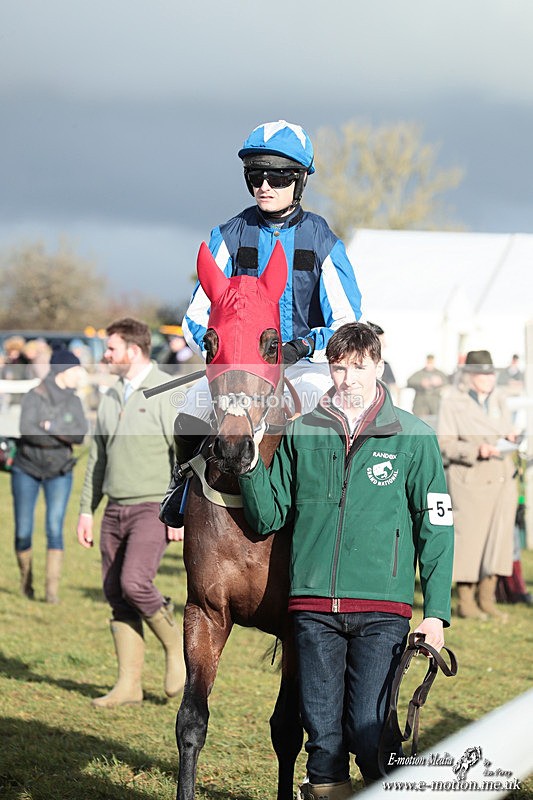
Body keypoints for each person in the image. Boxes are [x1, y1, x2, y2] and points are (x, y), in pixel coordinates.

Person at [238, 322, 454, 796]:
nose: (348, 378)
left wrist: (436, 613)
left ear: (378, 366)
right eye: (339, 367)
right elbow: (270, 516)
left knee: (370, 730)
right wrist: (253, 466)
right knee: (323, 737)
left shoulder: (414, 436)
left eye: (359, 366)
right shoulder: (300, 433)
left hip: (382, 610)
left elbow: (436, 526)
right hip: (312, 610)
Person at [165, 120, 362, 528]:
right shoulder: (229, 236)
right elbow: (194, 319)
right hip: (240, 367)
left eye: (278, 176)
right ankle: (180, 488)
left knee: (323, 421)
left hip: (305, 365)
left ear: (300, 181)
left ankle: (331, 513)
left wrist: (303, 347)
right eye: (256, 175)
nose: (265, 185)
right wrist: (226, 350)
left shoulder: (323, 240)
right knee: (187, 410)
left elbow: (347, 323)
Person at [76, 317, 185, 707]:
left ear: (133, 351)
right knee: (114, 592)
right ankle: (128, 687)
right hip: (113, 509)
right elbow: (96, 460)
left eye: (110, 349)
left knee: (134, 582)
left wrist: (180, 514)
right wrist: (86, 511)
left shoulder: (167, 392)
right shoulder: (108, 396)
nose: (105, 356)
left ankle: (175, 648)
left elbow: (184, 459)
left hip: (152, 507)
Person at [437, 350, 518, 620]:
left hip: (501, 478)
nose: (488, 378)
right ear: (470, 375)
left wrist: (511, 437)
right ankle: (466, 600)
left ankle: (487, 598)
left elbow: (505, 431)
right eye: (483, 373)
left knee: (498, 540)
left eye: (490, 372)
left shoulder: (500, 401)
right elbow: (444, 443)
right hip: (470, 480)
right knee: (470, 541)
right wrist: (476, 449)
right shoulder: (453, 403)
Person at [11, 348, 88, 603]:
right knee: (23, 530)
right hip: (27, 469)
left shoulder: (74, 400)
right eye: (77, 369)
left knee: (54, 528)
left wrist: (50, 427)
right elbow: (27, 430)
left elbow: (79, 435)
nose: (80, 374)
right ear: (64, 370)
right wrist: (59, 431)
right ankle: (26, 583)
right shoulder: (35, 395)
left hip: (60, 472)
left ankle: (51, 592)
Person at [406, 354, 448, 426]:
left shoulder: (440, 374)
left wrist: (440, 382)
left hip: (435, 403)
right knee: (419, 425)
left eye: (431, 363)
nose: (429, 365)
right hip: (421, 404)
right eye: (428, 363)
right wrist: (421, 383)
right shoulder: (420, 373)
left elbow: (448, 383)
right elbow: (409, 381)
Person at [367, 322, 398, 402]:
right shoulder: (354, 365)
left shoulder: (385, 364)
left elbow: (393, 387)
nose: (385, 345)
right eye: (382, 341)